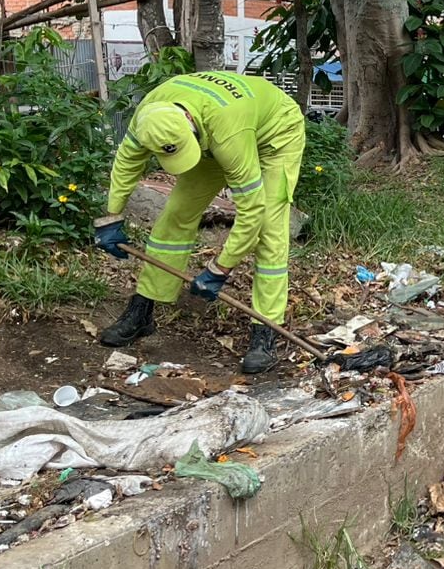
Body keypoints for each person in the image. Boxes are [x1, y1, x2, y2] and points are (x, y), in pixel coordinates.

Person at [92, 70, 306, 373]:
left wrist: (221, 267)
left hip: (275, 133)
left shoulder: (228, 133)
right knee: (176, 214)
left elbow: (252, 210)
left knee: (269, 228)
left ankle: (265, 330)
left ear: (189, 127)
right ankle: (142, 311)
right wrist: (111, 217)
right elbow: (126, 164)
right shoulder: (149, 118)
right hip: (211, 135)